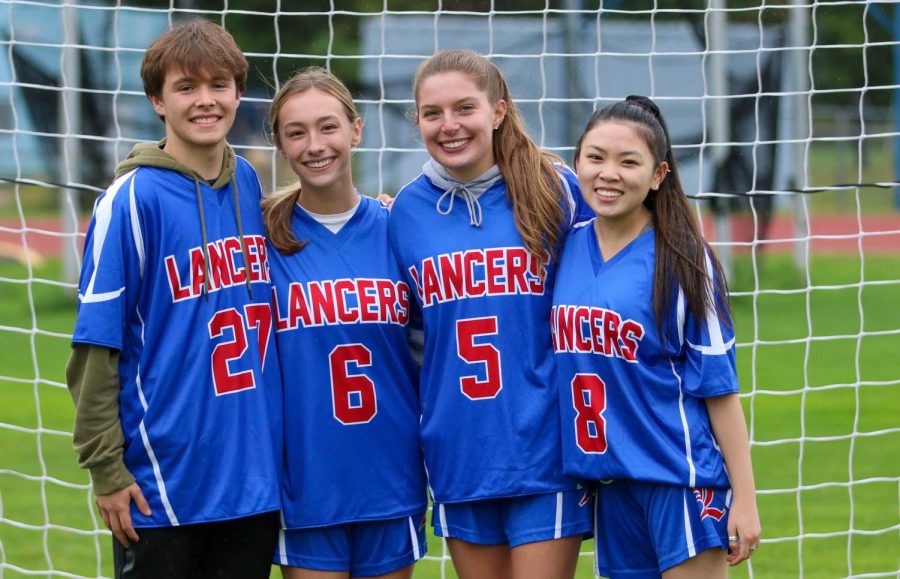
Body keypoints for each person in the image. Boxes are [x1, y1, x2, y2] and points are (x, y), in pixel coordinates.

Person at [65, 19, 282, 578]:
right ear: (158, 101)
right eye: (186, 88)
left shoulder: (250, 187)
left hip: (252, 483)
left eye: (218, 85)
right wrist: (106, 471)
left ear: (239, 92)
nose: (205, 101)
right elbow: (94, 350)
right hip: (161, 486)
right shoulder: (131, 201)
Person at [387, 49, 594, 579]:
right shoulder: (405, 213)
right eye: (432, 113)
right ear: (417, 120)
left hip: (546, 448)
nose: (449, 126)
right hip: (459, 450)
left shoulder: (558, 188)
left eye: (465, 108)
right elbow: (405, 335)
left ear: (498, 111)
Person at [551, 95, 761, 578]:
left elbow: (719, 388)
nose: (609, 174)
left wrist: (744, 499)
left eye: (629, 162)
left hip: (679, 479)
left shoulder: (684, 258)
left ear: (658, 175)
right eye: (596, 157)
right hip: (612, 482)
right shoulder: (566, 247)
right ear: (577, 160)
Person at [262, 66, 428, 579]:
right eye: (297, 132)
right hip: (306, 485)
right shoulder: (261, 239)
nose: (315, 145)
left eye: (328, 126)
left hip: (390, 477)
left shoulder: (400, 229)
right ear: (280, 143)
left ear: (356, 129)